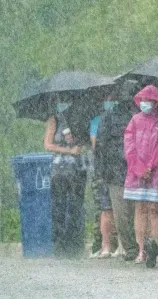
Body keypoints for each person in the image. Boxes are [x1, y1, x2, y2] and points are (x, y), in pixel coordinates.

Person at [123, 85, 158, 264]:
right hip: (138, 173)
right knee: (141, 209)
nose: (146, 103)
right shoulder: (134, 121)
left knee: (155, 209)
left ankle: (156, 249)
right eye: (144, 100)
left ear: (155, 102)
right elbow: (129, 148)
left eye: (150, 101)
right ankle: (141, 250)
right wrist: (139, 169)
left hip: (157, 172)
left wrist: (150, 167)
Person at [95, 89, 140, 262]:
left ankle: (135, 247)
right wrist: (102, 171)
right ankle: (132, 247)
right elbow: (101, 146)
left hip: (131, 170)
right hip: (119, 171)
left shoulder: (141, 116)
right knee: (126, 212)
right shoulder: (110, 117)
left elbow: (100, 147)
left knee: (131, 212)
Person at [44, 102, 86, 258]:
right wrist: (68, 150)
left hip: (77, 169)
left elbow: (86, 142)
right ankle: (59, 246)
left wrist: (80, 145)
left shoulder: (79, 119)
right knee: (59, 207)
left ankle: (75, 245)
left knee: (76, 207)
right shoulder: (54, 119)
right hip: (59, 170)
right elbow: (48, 145)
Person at [89, 101, 119, 259]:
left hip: (117, 168)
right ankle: (104, 244)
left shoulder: (121, 118)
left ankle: (115, 244)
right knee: (105, 208)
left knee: (118, 208)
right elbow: (96, 146)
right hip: (105, 170)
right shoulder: (98, 121)